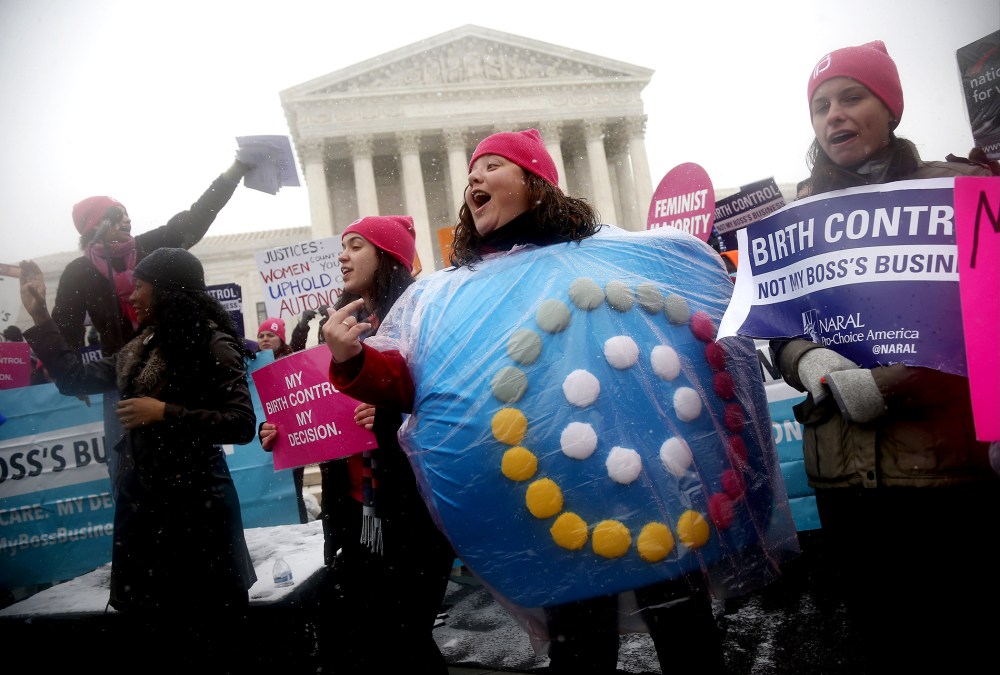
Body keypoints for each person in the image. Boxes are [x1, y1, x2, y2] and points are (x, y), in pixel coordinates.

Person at [323, 130, 728, 674]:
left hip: (650, 477)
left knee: (685, 632)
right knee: (581, 645)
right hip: (555, 489)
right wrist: (353, 362)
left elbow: (680, 313)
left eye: (492, 166)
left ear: (535, 185)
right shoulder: (456, 292)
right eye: (472, 172)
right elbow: (415, 375)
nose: (474, 179)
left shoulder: (604, 256)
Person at [770, 40, 1000, 672]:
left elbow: (987, 323)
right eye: (821, 106)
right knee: (881, 645)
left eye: (852, 98)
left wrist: (897, 381)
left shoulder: (959, 191)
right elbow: (780, 328)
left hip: (947, 476)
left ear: (889, 108)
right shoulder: (800, 216)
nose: (834, 116)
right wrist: (807, 361)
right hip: (845, 481)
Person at [19, 248, 258, 671]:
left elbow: (239, 423)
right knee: (156, 639)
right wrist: (41, 317)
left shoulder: (213, 342)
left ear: (167, 291)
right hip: (147, 516)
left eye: (141, 287)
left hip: (196, 514)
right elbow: (74, 376)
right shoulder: (139, 346)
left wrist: (163, 411)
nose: (132, 297)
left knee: (214, 640)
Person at [260, 215, 455, 674]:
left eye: (355, 246)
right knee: (357, 641)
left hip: (411, 513)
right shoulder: (335, 327)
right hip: (352, 513)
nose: (342, 256)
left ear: (386, 257)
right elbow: (320, 408)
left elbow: (446, 403)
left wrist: (393, 416)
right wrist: (286, 431)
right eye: (342, 246)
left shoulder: (421, 319)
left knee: (404, 637)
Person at [51, 156, 253, 496]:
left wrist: (233, 173)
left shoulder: (150, 249)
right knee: (129, 469)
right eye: (116, 218)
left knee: (191, 456)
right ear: (95, 229)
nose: (128, 221)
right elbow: (65, 325)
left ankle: (208, 515)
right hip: (121, 373)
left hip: (173, 364)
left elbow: (196, 217)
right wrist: (73, 370)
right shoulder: (78, 272)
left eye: (128, 214)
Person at [255, 316, 309, 523]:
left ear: (281, 339)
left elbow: (299, 348)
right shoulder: (251, 365)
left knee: (293, 489)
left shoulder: (289, 361)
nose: (265, 339)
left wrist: (301, 330)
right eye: (261, 335)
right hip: (265, 436)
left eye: (271, 334)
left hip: (290, 437)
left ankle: (298, 522)